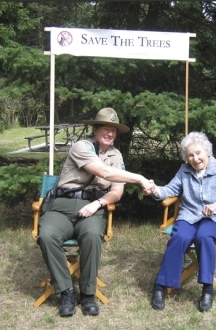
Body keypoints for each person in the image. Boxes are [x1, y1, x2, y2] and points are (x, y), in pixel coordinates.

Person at [37, 107, 153, 317]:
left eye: (114, 130)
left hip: (92, 208)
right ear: (96, 129)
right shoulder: (82, 146)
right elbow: (103, 172)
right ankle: (66, 291)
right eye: (106, 129)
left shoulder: (116, 155)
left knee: (91, 236)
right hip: (62, 206)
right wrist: (140, 178)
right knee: (46, 235)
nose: (110, 134)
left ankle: (88, 293)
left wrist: (98, 203)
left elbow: (117, 191)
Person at [147, 131, 216, 312]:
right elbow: (169, 189)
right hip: (190, 215)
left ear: (207, 151)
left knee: (204, 236)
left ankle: (207, 288)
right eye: (190, 155)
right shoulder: (184, 170)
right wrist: (154, 189)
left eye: (198, 153)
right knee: (179, 237)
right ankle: (160, 285)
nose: (195, 158)